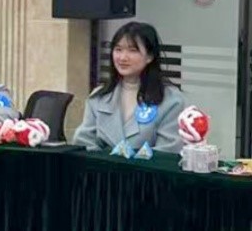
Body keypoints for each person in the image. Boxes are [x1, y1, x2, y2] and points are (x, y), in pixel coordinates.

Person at [72, 22, 189, 153]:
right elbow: (83, 143)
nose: (123, 57)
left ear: (150, 56)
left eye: (133, 50)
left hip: (147, 166)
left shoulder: (171, 100)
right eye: (118, 49)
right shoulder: (98, 97)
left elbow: (167, 152)